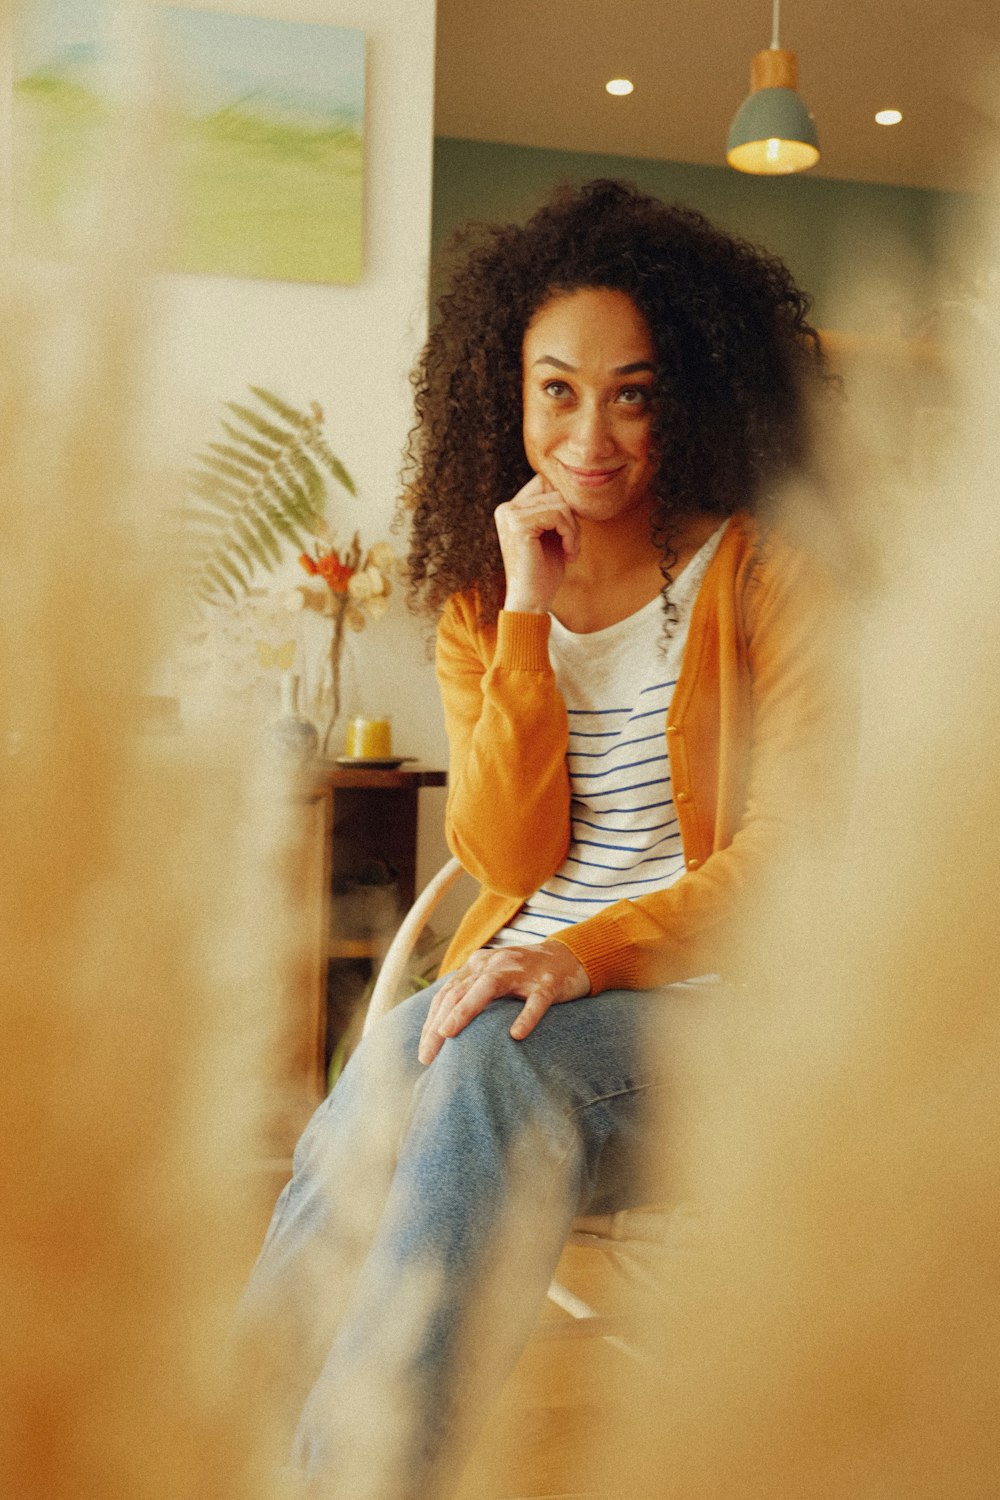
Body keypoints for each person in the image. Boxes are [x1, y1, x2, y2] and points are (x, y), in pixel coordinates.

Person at [242, 179, 837, 1500]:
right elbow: (507, 850)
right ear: (504, 395)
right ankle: (224, 1444)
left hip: (723, 1016)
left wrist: (586, 957)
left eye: (632, 390)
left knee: (479, 1068)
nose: (593, 433)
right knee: (384, 1076)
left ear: (687, 393)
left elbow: (797, 857)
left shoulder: (764, 578)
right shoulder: (478, 601)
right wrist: (526, 614)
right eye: (556, 389)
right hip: (529, 989)